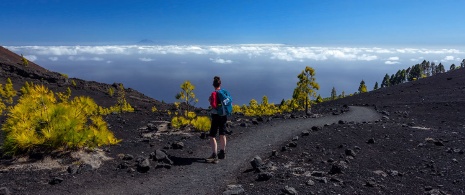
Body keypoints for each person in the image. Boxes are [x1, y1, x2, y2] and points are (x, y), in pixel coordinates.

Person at [205, 76, 228, 164]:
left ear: (213, 85)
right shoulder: (224, 92)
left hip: (216, 115)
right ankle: (222, 152)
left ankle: (214, 155)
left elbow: (214, 106)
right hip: (224, 115)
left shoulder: (214, 94)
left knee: (212, 135)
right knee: (222, 133)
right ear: (220, 84)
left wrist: (210, 101)